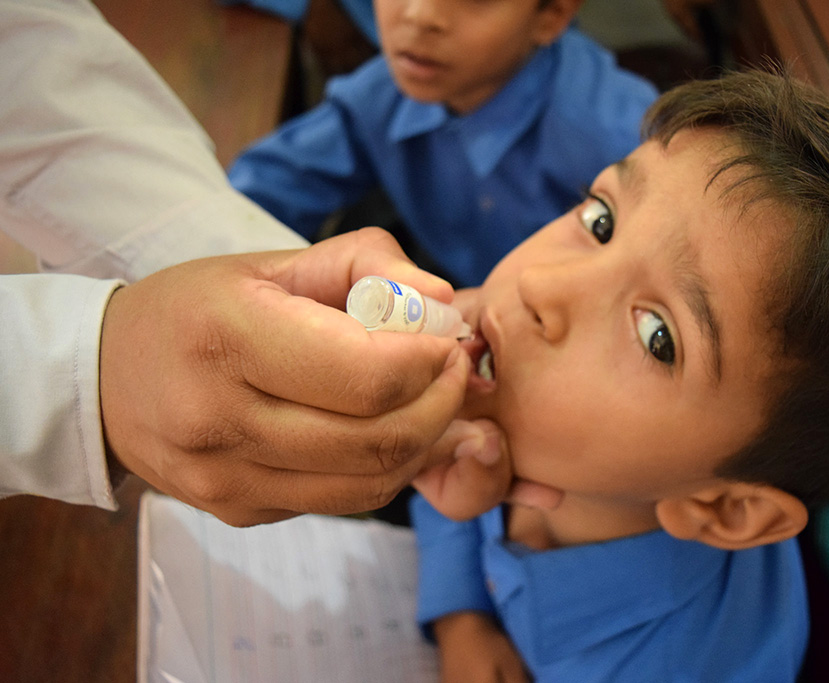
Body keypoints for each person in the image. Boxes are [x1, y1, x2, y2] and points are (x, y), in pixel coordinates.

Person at [407, 70, 829, 681]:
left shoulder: (685, 667)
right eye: (601, 222)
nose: (541, 285)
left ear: (725, 508)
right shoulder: (521, 411)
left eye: (658, 337)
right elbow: (450, 470)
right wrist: (462, 613)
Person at [0, 0, 513, 527]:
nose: (422, 13)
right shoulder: (383, 94)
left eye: (603, 226)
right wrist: (97, 373)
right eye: (596, 224)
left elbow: (33, 78)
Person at [226, 0, 659, 287]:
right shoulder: (381, 98)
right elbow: (254, 198)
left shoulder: (622, 140)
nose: (419, 15)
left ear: (551, 17)